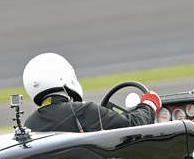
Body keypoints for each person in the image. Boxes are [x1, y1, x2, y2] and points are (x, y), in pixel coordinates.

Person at [22, 53, 161, 132]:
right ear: (63, 76)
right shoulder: (84, 111)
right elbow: (133, 125)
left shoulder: (29, 124)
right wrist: (149, 104)